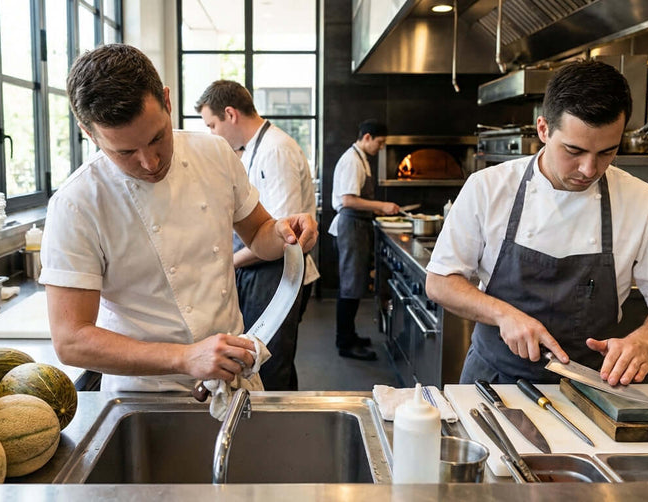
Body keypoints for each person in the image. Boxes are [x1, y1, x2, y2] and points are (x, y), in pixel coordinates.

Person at [39, 44, 317, 393]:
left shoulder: (215, 153)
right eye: (125, 152)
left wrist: (283, 232)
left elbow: (259, 232)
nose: (150, 162)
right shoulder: (76, 204)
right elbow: (71, 340)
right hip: (143, 394)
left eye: (157, 137)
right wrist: (185, 357)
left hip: (232, 379)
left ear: (167, 101)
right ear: (88, 132)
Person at [426, 60, 648, 386]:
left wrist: (644, 341)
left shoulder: (644, 202)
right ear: (543, 130)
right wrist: (502, 313)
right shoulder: (488, 187)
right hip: (493, 382)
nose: (588, 169)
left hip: (591, 387)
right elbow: (440, 281)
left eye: (607, 152)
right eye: (573, 150)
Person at [194, 79, 318, 390]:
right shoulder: (251, 150)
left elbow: (285, 236)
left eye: (212, 125)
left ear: (230, 114)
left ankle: (277, 420)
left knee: (270, 365)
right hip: (260, 270)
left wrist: (229, 263)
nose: (212, 134)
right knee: (267, 361)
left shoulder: (276, 150)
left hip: (277, 273)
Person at [329, 119, 401, 361]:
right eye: (379, 142)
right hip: (350, 227)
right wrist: (382, 205)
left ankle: (350, 335)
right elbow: (348, 200)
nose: (381, 147)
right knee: (350, 286)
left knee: (355, 284)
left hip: (357, 226)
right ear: (367, 137)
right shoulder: (352, 160)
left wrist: (376, 209)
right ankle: (345, 342)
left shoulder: (360, 158)